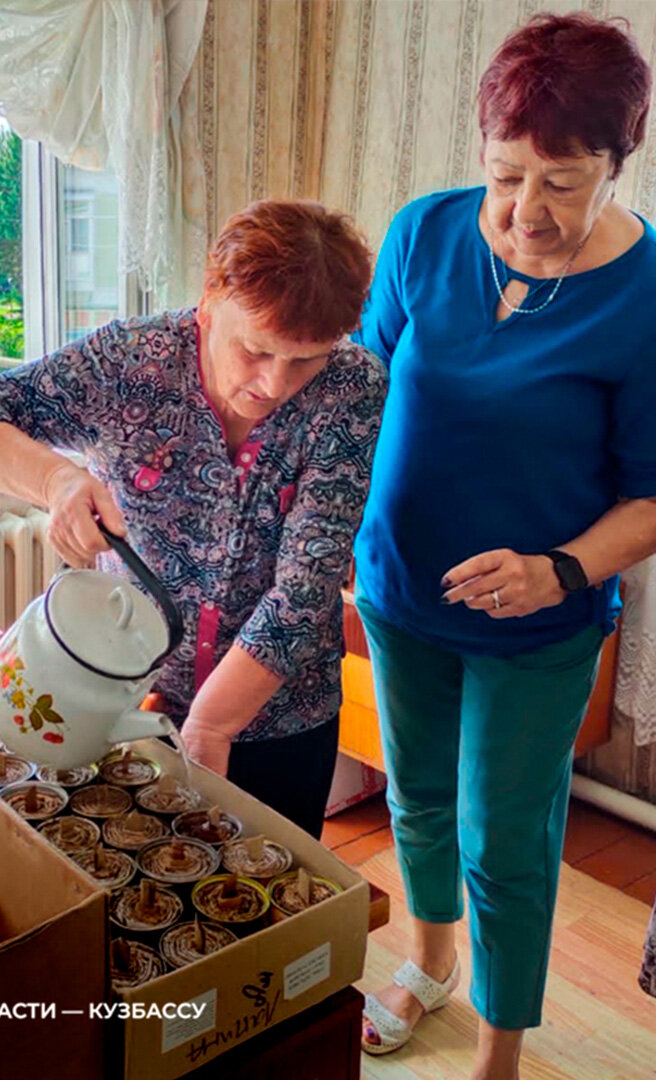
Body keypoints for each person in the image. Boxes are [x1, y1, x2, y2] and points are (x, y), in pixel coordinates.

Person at [352, 13, 656, 1078]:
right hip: (399, 590)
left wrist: (555, 571)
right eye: (504, 174)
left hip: (539, 624)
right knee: (417, 799)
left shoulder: (646, 295)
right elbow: (360, 397)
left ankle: (499, 1051)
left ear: (618, 163)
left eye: (562, 183)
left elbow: (653, 497)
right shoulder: (423, 234)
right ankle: (429, 963)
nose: (526, 210)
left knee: (505, 839)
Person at [0, 200, 387, 838]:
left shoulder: (352, 386)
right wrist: (58, 480)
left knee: (273, 891)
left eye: (304, 360)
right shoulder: (131, 361)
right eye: (255, 350)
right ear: (209, 302)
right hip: (127, 700)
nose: (275, 384)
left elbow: (305, 589)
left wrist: (212, 725)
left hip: (282, 715)